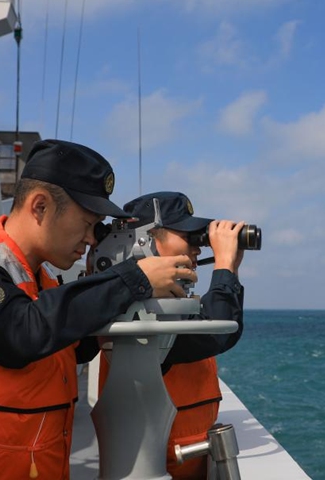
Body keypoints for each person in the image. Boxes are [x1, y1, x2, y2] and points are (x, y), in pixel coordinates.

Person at [0, 140, 197, 480]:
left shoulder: (37, 281)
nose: (92, 239)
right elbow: (23, 334)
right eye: (87, 223)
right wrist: (131, 280)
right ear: (40, 206)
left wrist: (111, 295)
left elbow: (68, 348)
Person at [98, 191, 245, 479]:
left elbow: (217, 327)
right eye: (188, 237)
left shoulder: (166, 302)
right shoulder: (138, 309)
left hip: (186, 458)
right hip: (159, 464)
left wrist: (231, 269)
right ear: (147, 239)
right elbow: (217, 332)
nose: (197, 248)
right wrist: (224, 266)